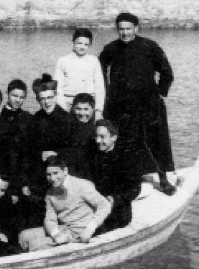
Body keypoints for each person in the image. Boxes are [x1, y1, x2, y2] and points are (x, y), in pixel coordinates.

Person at [99, 12, 176, 194]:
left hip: (148, 104)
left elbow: (166, 72)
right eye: (121, 29)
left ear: (136, 28)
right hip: (121, 107)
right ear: (117, 30)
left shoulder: (149, 46)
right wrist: (107, 92)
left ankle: (163, 179)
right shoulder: (111, 48)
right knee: (124, 143)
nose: (124, 33)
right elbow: (99, 69)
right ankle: (125, 181)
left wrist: (159, 92)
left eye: (128, 29)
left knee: (156, 141)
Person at [20, 156, 111, 252]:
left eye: (56, 173)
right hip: (64, 229)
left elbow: (104, 205)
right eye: (48, 175)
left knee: (35, 245)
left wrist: (90, 229)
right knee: (24, 236)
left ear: (65, 171)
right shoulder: (50, 193)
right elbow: (50, 219)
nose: (52, 178)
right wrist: (56, 234)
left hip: (82, 231)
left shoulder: (81, 185)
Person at [91, 119, 142, 233]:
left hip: (117, 213)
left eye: (103, 137)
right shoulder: (93, 154)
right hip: (94, 208)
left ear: (114, 138)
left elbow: (135, 189)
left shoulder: (126, 159)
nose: (98, 141)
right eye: (96, 136)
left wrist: (115, 199)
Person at [54, 28, 105, 116]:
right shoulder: (63, 61)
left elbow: (99, 87)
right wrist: (64, 108)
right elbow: (58, 88)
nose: (82, 47)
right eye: (79, 43)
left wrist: (98, 110)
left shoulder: (94, 60)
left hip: (89, 105)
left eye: (86, 44)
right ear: (73, 42)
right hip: (69, 104)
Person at [67, 92, 98, 180]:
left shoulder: (96, 129)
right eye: (78, 109)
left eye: (86, 109)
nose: (82, 113)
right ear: (73, 109)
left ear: (92, 109)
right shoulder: (68, 128)